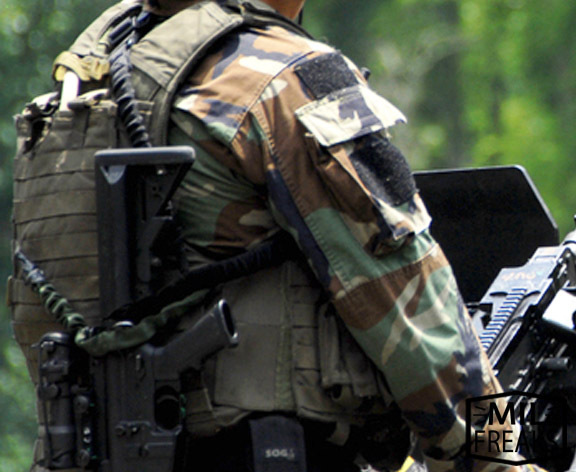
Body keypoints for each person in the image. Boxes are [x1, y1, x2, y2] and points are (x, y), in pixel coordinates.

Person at [10, 0, 539, 471]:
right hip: (261, 451)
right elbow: (422, 320)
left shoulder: (90, 84)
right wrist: (501, 458)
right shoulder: (284, 78)